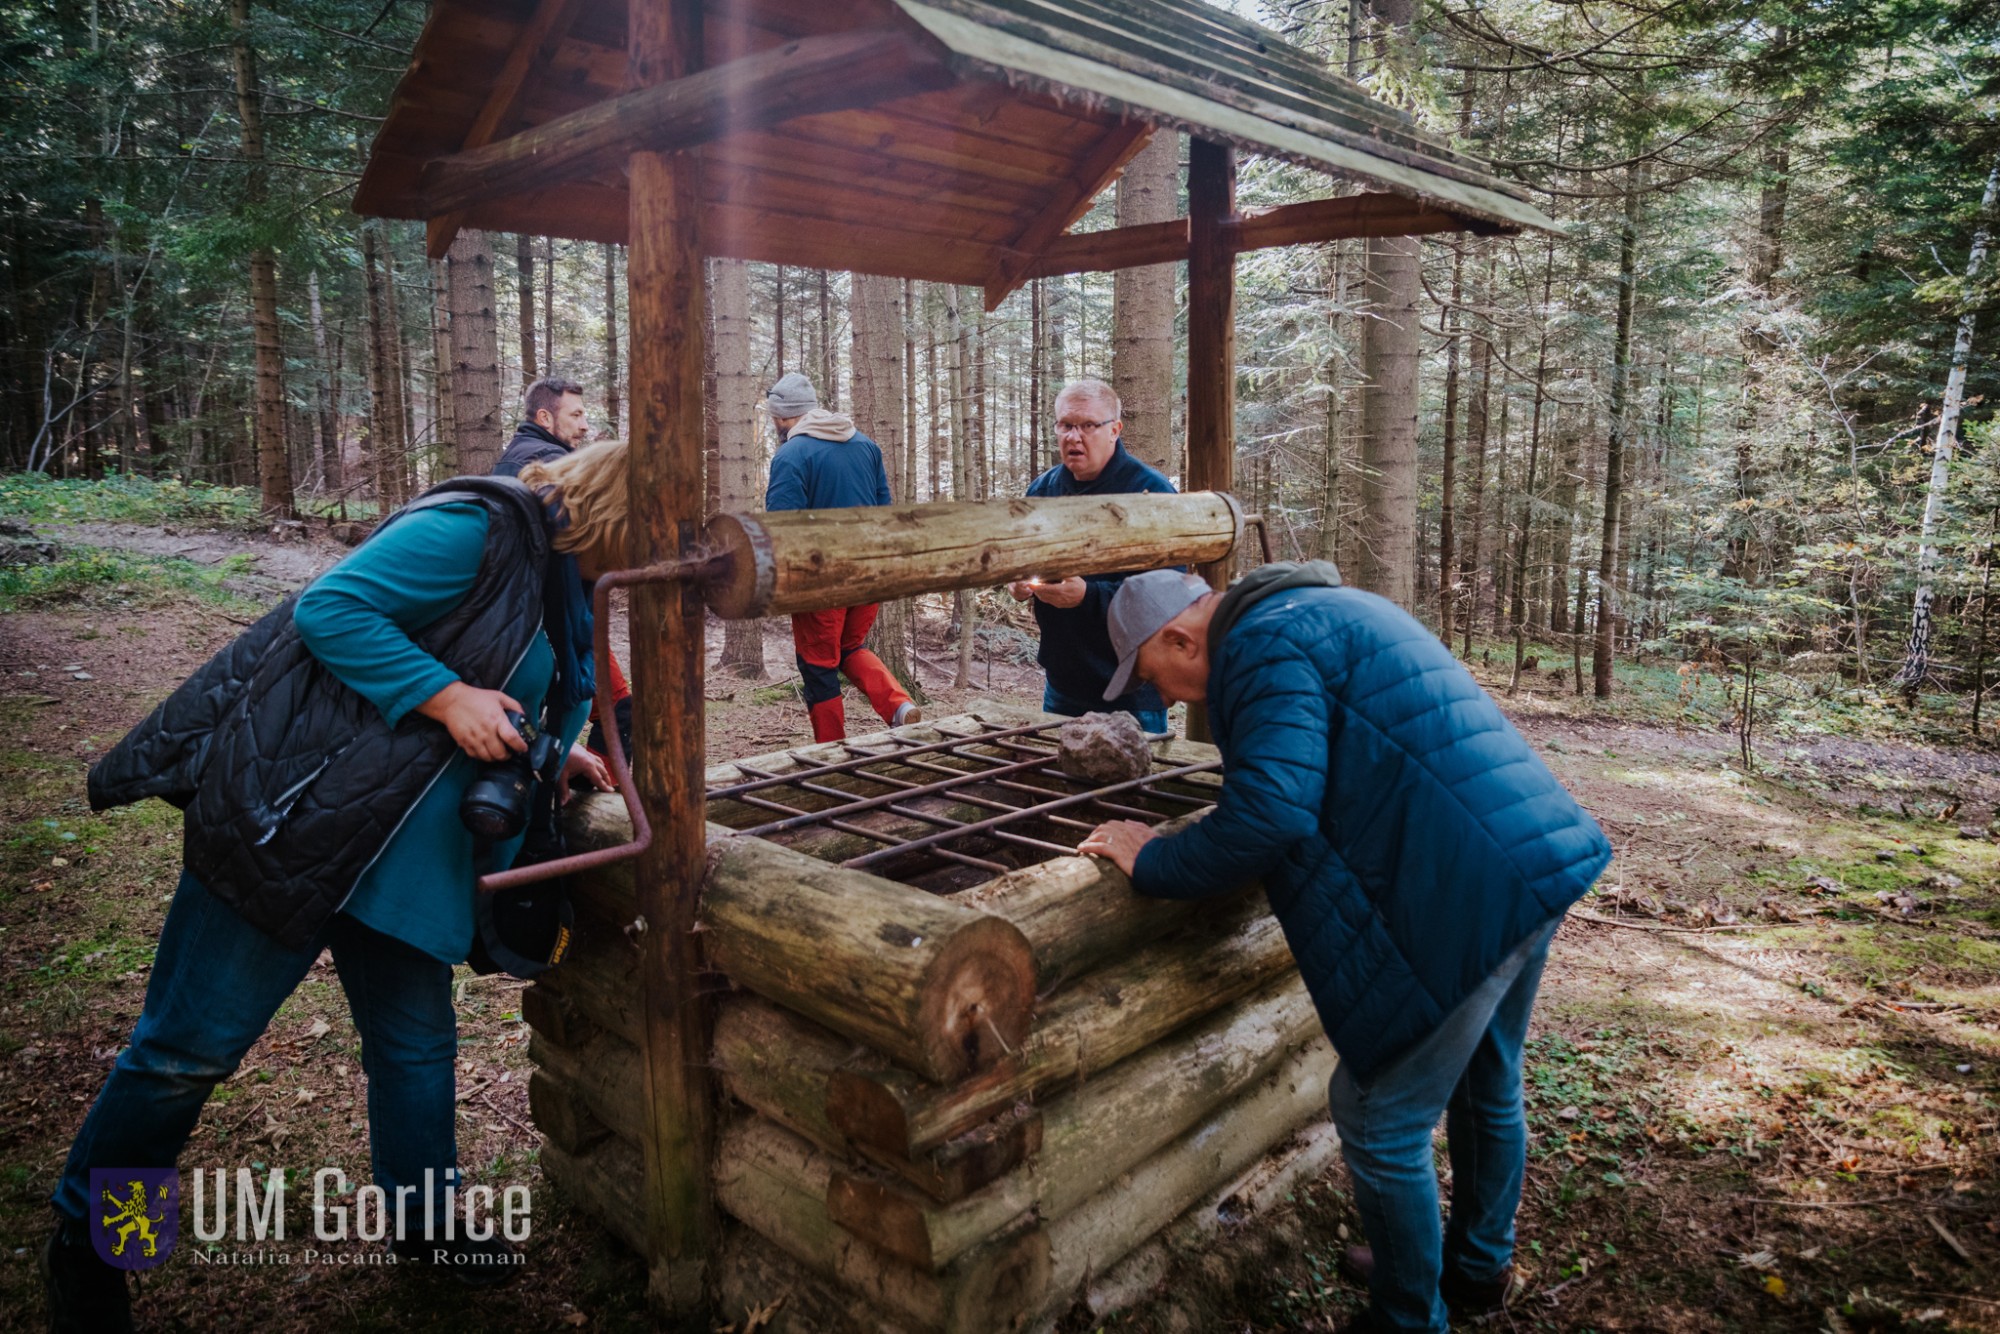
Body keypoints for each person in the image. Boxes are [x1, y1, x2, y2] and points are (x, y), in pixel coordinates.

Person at [45, 448, 625, 1332]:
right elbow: (332, 607)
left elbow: (524, 676)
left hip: (404, 861)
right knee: (184, 1055)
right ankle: (93, 1244)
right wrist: (441, 697)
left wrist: (556, 749)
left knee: (417, 1052)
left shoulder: (573, 577)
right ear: (627, 510)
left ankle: (426, 1224)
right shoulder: (482, 528)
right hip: (299, 825)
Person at [1078, 562, 1611, 1334]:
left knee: (1376, 1117)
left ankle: (1406, 1317)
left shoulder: (1261, 647)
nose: (1155, 697)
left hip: (1465, 886)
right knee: (1487, 1081)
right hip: (1526, 858)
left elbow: (1272, 814)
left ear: (1181, 636)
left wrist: (1153, 857)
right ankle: (1474, 1270)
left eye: (1151, 676)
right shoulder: (1310, 607)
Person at [1007, 378, 1176, 732]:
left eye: (1087, 425)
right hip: (1063, 684)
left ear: (1114, 430)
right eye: (1065, 425)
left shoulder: (1151, 493)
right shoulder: (1042, 490)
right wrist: (1019, 583)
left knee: (1132, 789)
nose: (1073, 436)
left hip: (1132, 692)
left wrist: (1087, 596)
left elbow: (1166, 596)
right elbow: (1023, 562)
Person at [764, 371, 920, 742]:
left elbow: (781, 527)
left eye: (774, 417)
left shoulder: (790, 454)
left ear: (784, 417)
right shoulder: (865, 445)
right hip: (869, 575)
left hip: (822, 581)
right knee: (851, 647)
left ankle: (829, 751)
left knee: (818, 667)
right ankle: (899, 706)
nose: (774, 423)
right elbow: (885, 510)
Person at [493, 376, 591, 477]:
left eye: (583, 416)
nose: (585, 426)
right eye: (576, 415)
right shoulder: (550, 459)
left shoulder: (515, 451)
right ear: (545, 418)